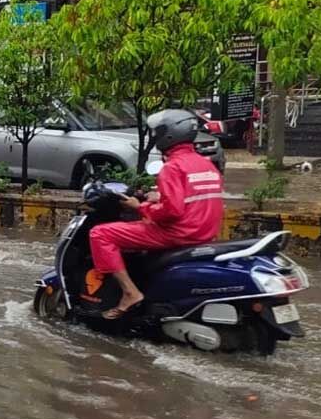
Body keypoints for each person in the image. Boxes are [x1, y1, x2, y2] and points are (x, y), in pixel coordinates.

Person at [87, 109, 224, 319]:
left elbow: (172, 212)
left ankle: (130, 292)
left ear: (168, 134)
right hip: (204, 232)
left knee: (100, 234)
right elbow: (191, 200)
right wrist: (159, 197)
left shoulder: (172, 167)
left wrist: (139, 206)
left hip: (179, 233)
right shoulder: (207, 165)